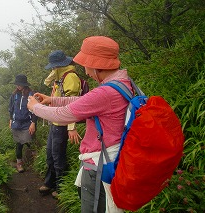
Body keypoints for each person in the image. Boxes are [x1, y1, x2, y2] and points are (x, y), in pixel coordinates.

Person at [28, 36, 127, 213]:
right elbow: (85, 101)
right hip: (113, 159)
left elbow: (66, 114)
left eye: (86, 65)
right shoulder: (123, 83)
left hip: (99, 166)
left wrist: (35, 108)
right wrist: (53, 99)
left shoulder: (106, 92)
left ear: (97, 64)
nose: (86, 71)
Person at [38, 50, 82, 199]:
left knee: (58, 157)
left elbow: (72, 104)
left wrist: (71, 127)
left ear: (59, 66)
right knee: (50, 154)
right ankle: (49, 183)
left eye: (53, 67)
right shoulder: (61, 77)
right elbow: (46, 82)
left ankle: (60, 188)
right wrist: (54, 75)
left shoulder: (71, 78)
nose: (52, 70)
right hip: (55, 121)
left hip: (62, 124)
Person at [9, 74, 38, 173]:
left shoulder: (31, 94)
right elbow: (11, 108)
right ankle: (19, 164)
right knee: (19, 144)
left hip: (27, 123)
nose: (18, 86)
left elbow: (35, 110)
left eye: (20, 84)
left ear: (24, 84)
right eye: (17, 84)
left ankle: (36, 160)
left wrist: (33, 123)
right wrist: (10, 120)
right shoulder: (14, 95)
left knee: (29, 141)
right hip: (16, 123)